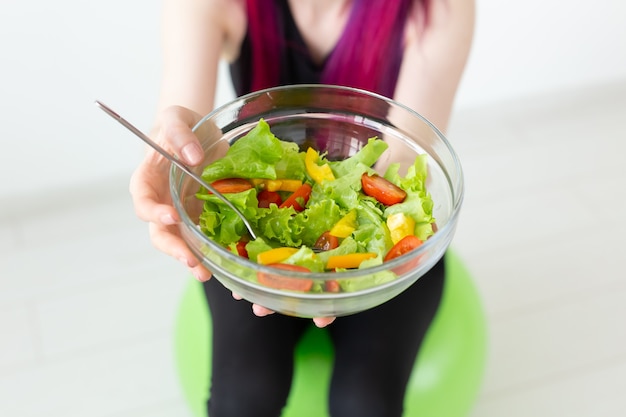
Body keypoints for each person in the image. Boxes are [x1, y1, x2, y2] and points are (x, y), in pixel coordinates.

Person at [130, 0, 474, 415]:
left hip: (386, 255)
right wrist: (170, 157)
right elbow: (182, 123)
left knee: (365, 404)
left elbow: (402, 169)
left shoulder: (435, 9)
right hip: (249, 245)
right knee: (244, 397)